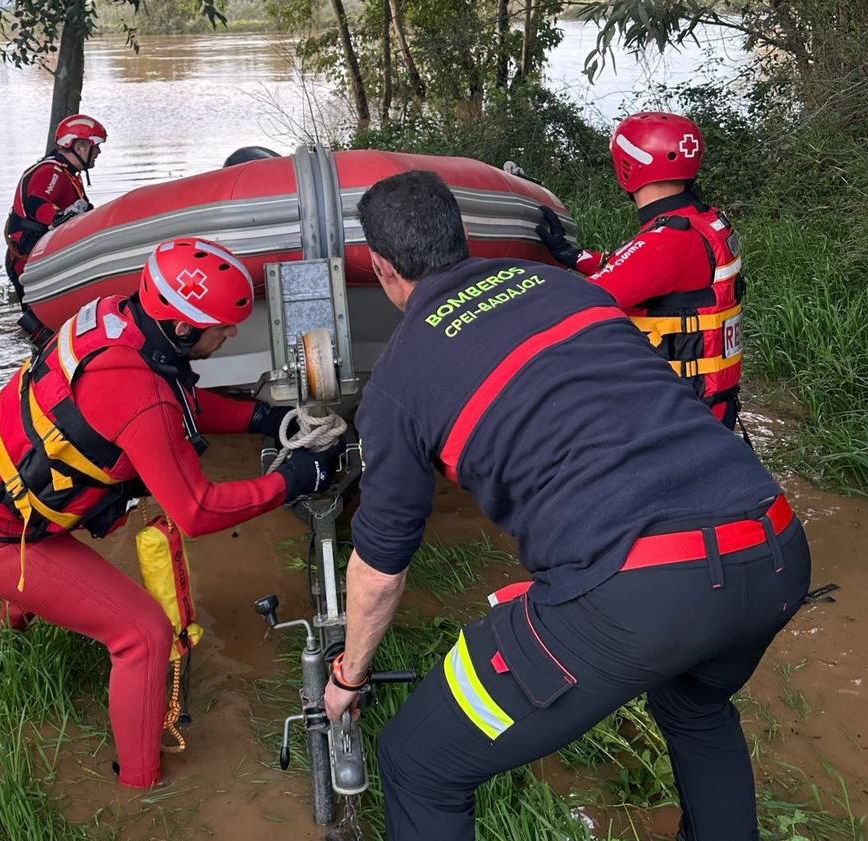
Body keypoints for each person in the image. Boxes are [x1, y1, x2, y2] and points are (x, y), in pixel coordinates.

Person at [322, 171, 811, 841]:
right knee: (697, 707)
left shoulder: (399, 381)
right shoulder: (567, 287)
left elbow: (379, 569)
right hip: (774, 540)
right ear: (461, 238)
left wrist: (349, 675)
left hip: (641, 592)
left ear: (380, 266)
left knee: (419, 759)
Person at [0, 237, 341, 789]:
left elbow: (177, 403)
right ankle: (142, 786)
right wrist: (293, 479)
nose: (231, 335)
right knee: (144, 635)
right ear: (181, 329)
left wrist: (262, 418)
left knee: (69, 579)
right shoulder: (138, 391)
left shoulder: (118, 320)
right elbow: (196, 511)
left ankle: (6, 642)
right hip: (2, 542)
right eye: (222, 328)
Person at [536, 112, 746, 429]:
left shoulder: (668, 240)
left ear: (629, 167)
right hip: (711, 406)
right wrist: (573, 256)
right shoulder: (702, 221)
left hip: (679, 415)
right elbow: (640, 270)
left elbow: (579, 302)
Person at [4, 114, 105, 330]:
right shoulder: (52, 171)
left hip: (42, 258)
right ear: (79, 147)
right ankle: (40, 354)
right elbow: (36, 203)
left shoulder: (69, 174)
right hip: (28, 259)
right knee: (40, 324)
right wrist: (58, 218)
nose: (98, 152)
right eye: (95, 146)